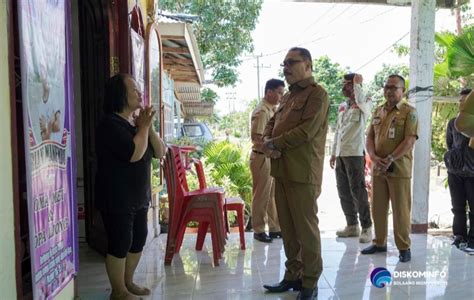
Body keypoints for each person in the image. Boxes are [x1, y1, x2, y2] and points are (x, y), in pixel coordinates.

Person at [262, 47, 329, 300]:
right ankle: (293, 276)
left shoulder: (318, 95)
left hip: (303, 173)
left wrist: (274, 144)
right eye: (284, 63)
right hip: (282, 170)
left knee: (306, 230)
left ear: (308, 65)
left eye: (292, 62)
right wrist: (268, 140)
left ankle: (310, 283)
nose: (286, 67)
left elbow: (307, 131)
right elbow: (272, 123)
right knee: (288, 229)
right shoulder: (289, 97)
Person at [95, 73, 166, 300]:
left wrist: (149, 127)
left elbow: (160, 152)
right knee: (120, 242)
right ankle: (118, 291)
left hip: (138, 196)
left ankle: (127, 283)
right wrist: (142, 128)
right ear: (120, 94)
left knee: (138, 239)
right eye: (134, 89)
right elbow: (133, 154)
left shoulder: (133, 124)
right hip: (116, 197)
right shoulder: (110, 124)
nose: (139, 93)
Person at [361, 74, 418, 263]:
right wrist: (374, 157)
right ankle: (379, 242)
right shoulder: (379, 111)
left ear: (403, 90)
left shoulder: (410, 112)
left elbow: (410, 140)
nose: (389, 91)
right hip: (378, 168)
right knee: (377, 207)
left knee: (401, 210)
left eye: (394, 87)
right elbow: (369, 138)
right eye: (387, 87)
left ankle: (404, 247)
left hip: (399, 169)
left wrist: (391, 157)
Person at [330, 73, 373, 243]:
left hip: (355, 153)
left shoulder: (365, 103)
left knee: (358, 191)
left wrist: (357, 84)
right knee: (343, 191)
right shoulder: (342, 106)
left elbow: (362, 101)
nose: (344, 87)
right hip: (341, 153)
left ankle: (367, 227)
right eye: (345, 84)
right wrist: (333, 152)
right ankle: (352, 225)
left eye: (348, 84)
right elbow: (338, 131)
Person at [250, 79, 285, 243]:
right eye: (279, 92)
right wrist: (272, 152)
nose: (281, 96)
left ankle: (274, 228)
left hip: (268, 156)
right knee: (261, 195)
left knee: (271, 195)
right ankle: (258, 229)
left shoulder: (272, 110)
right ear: (269, 92)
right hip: (261, 156)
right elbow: (257, 138)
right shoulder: (262, 111)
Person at [445, 88, 474, 252]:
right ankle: (459, 235)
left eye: (466, 101)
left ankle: (473, 239)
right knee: (457, 206)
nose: (462, 103)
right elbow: (450, 144)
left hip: (472, 172)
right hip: (455, 172)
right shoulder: (453, 123)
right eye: (460, 101)